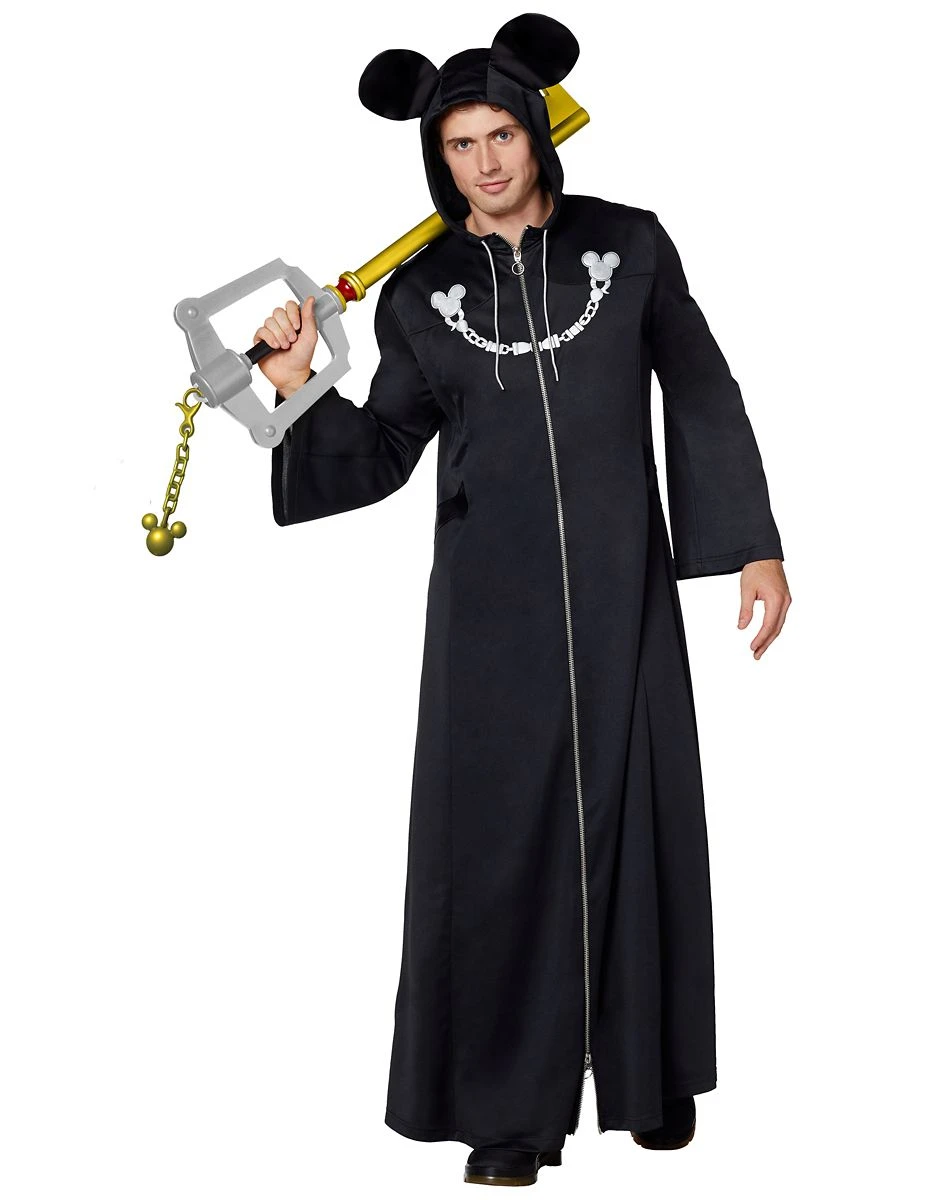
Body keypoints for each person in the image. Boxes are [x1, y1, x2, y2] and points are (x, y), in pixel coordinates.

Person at [254, 13, 791, 1188]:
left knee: (637, 821)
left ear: (538, 132)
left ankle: (647, 1079)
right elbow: (381, 450)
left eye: (500, 134)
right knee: (495, 848)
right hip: (487, 616)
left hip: (618, 593)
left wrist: (749, 545)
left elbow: (699, 386)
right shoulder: (419, 292)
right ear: (435, 158)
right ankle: (507, 1114)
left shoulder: (628, 245)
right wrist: (294, 392)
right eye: (459, 144)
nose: (484, 162)